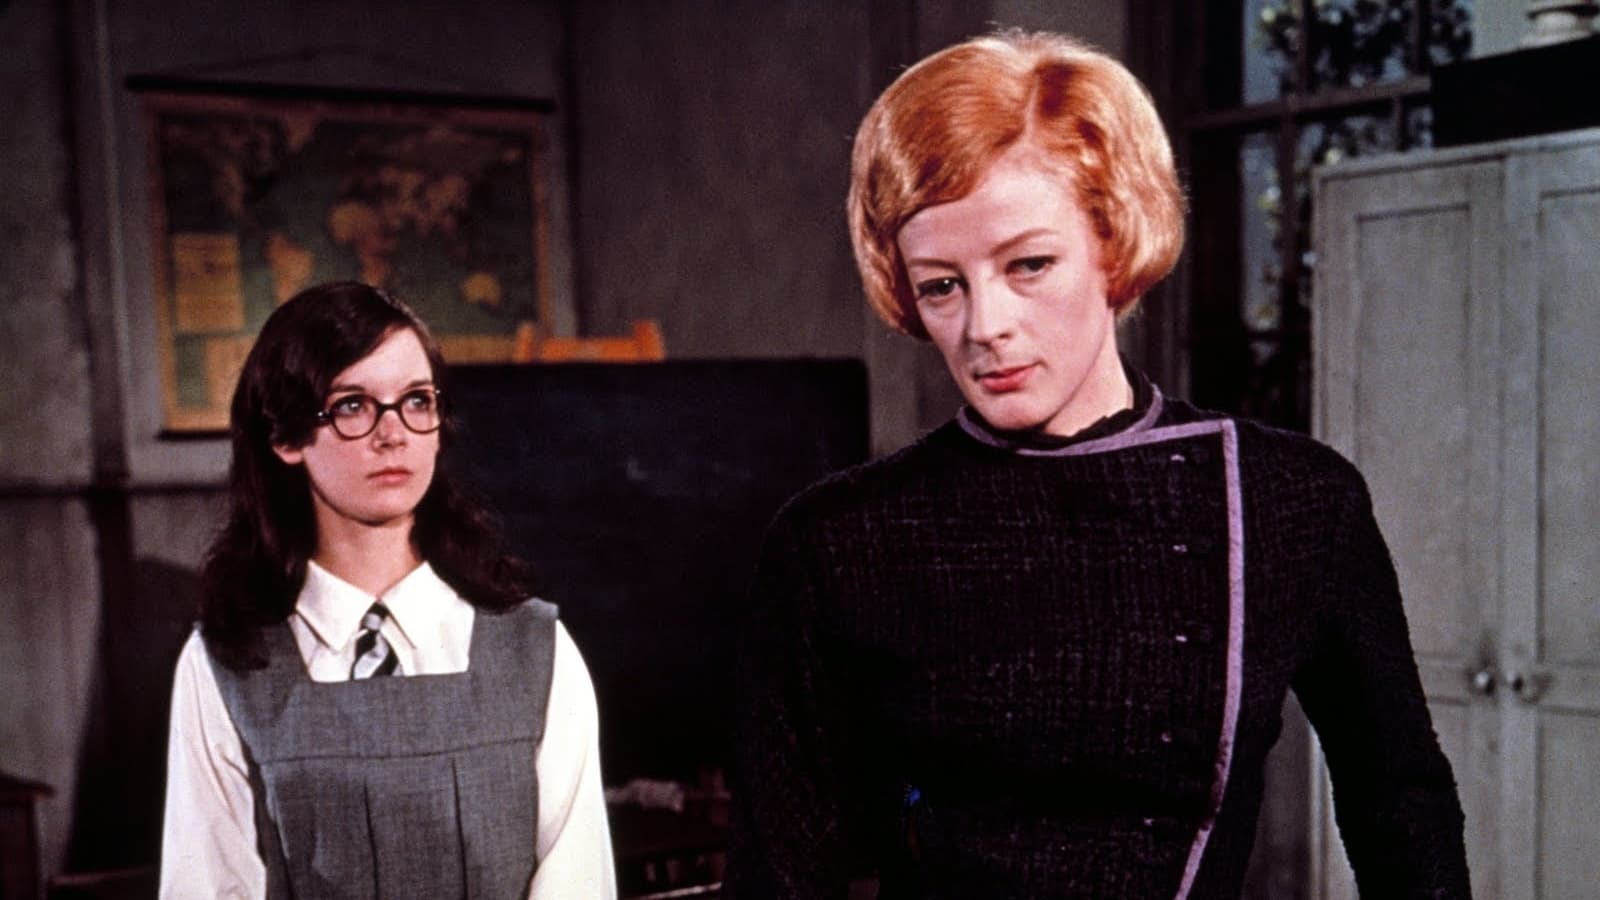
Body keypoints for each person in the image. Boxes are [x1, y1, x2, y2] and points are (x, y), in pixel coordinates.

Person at [725, 30, 1471, 899]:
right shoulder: (835, 542)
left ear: (1114, 244)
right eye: (941, 285)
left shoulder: (1293, 501)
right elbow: (777, 879)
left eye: (1029, 265)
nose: (985, 326)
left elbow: (1402, 813)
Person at [160, 281, 616, 899]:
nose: (393, 433)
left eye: (416, 401)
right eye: (353, 406)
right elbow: (208, 887)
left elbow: (579, 884)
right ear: (286, 437)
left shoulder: (535, 650)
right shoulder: (226, 664)